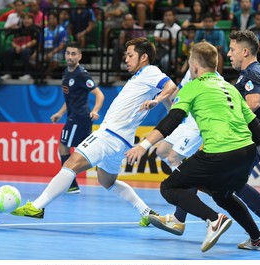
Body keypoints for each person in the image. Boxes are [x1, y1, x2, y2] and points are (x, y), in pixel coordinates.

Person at [126, 41, 260, 252]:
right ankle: (257, 238)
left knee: (170, 187)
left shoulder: (193, 87)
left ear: (195, 66)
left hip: (219, 153)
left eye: (189, 63)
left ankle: (213, 219)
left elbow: (172, 120)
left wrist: (143, 145)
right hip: (246, 153)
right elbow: (254, 125)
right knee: (222, 194)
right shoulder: (230, 88)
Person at [11, 37, 177, 226]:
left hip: (110, 134)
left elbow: (170, 86)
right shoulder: (143, 77)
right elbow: (167, 94)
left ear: (144, 57)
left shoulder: (150, 71)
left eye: (131, 55)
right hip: (121, 141)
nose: (126, 59)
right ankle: (146, 212)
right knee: (107, 181)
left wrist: (158, 101)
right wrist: (168, 105)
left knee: (71, 164)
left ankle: (37, 207)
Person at [50, 41, 105, 194]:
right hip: (74, 117)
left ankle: (71, 184)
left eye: (74, 54)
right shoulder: (67, 72)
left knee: (64, 147)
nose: (70, 56)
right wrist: (60, 113)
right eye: (68, 53)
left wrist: (95, 110)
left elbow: (99, 94)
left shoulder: (81, 74)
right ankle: (74, 183)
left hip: (79, 118)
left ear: (80, 56)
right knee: (86, 150)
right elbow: (71, 97)